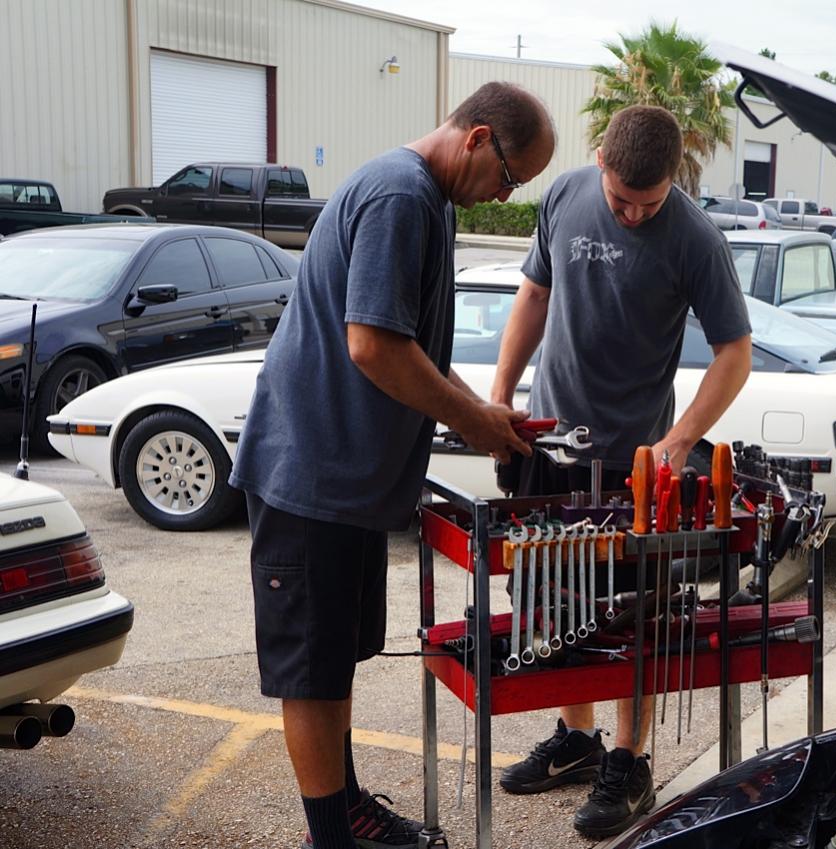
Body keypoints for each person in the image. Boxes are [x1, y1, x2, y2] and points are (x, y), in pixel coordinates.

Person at [228, 82, 554, 849]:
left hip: (346, 484)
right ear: (477, 137)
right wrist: (469, 419)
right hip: (310, 475)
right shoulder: (401, 196)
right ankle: (331, 838)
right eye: (509, 177)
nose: (503, 195)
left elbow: (413, 350)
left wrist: (486, 411)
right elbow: (371, 345)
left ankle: (344, 810)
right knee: (311, 673)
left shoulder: (429, 201)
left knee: (334, 660)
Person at [490, 104, 754, 838]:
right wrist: (500, 395)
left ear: (674, 181)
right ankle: (577, 738)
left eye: (649, 204)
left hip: (637, 466)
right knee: (552, 600)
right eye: (621, 201)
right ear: (601, 162)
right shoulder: (564, 194)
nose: (633, 215)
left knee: (636, 617)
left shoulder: (695, 238)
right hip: (549, 446)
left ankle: (630, 760)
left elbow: (734, 352)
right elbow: (535, 294)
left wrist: (678, 441)